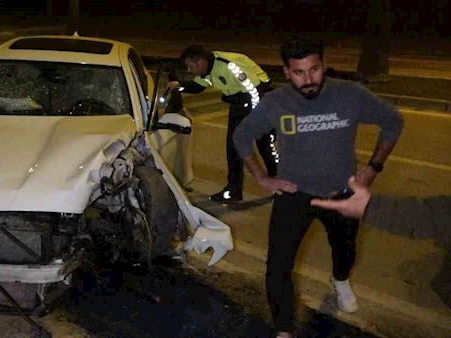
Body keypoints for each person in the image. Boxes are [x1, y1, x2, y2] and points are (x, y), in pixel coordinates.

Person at [232, 35, 404, 338]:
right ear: (286, 72)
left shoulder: (349, 94)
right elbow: (242, 136)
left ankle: (339, 280)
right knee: (278, 266)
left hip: (343, 194)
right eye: (298, 72)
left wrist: (373, 168)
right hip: (294, 195)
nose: (308, 79)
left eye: (314, 69)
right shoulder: (275, 103)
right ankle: (284, 329)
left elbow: (393, 121)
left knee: (346, 251)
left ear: (324, 65)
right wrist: (261, 177)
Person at [311, 177, 451, 310]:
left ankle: (340, 279)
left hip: (338, 179)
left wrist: (374, 165)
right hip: (295, 184)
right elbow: (435, 215)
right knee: (289, 248)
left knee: (345, 242)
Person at [170, 45, 278, 203]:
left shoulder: (229, 66)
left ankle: (281, 184)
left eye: (190, 66)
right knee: (234, 147)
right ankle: (234, 191)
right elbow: (198, 87)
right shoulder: (208, 69)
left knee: (265, 145)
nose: (189, 70)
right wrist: (179, 86)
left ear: (200, 61)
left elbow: (254, 90)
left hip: (259, 100)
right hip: (240, 102)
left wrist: (256, 120)